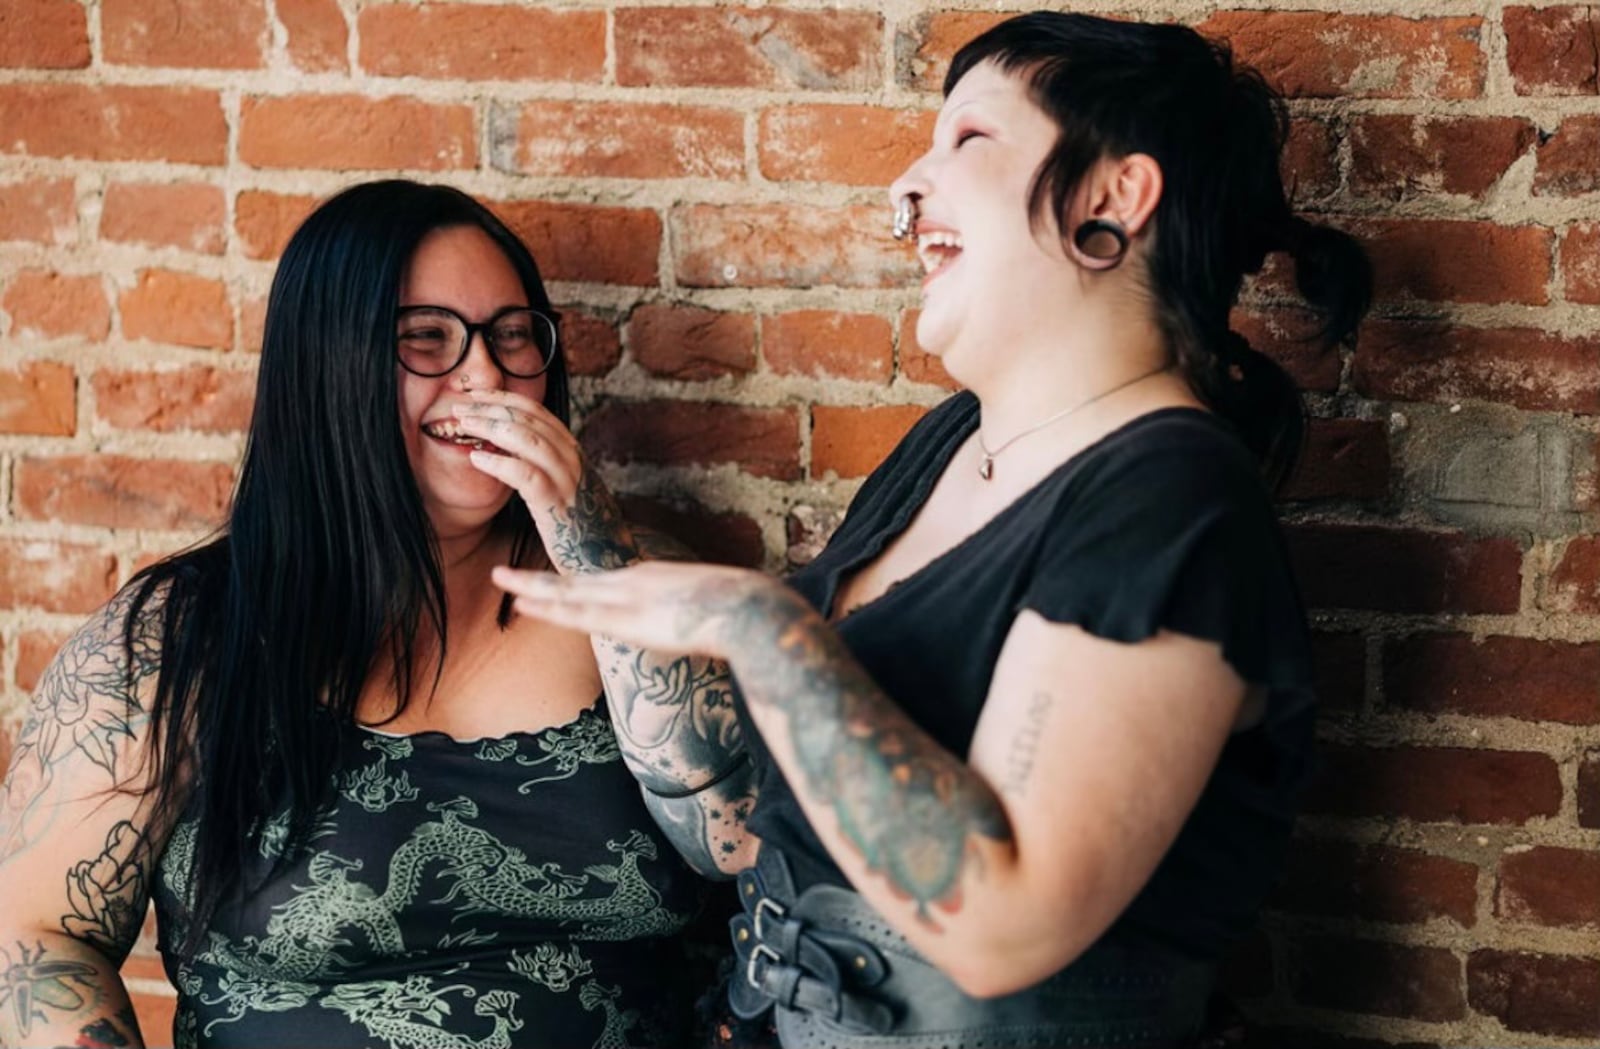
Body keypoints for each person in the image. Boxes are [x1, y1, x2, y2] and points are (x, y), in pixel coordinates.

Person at [490, 11, 1373, 1048]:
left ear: (1111, 197)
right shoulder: (950, 437)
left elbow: (1001, 926)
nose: (903, 191)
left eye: (967, 140)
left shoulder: (1171, 497)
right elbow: (753, 828)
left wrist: (765, 631)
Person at [0, 180, 712, 1049]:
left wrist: (597, 554)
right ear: (327, 367)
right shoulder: (174, 643)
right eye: (426, 340)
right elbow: (36, 934)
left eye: (513, 335)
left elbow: (750, 849)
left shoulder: (643, 589)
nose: (486, 375)